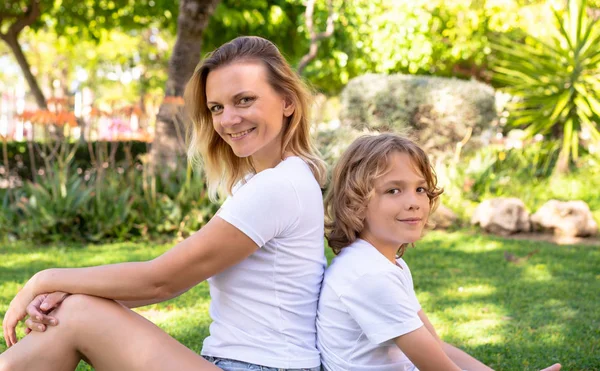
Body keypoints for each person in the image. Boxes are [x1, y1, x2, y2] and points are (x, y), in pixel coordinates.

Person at [0, 36, 327, 371]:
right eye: (217, 108)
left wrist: (46, 279)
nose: (228, 120)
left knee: (77, 313)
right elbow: (159, 282)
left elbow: (161, 280)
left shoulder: (279, 185)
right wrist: (68, 291)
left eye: (244, 101)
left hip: (267, 367)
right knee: (73, 310)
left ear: (287, 102)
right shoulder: (265, 181)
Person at [315, 133, 561, 371]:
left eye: (420, 189)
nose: (414, 202)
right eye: (394, 190)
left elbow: (436, 346)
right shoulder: (368, 275)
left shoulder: (385, 263)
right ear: (355, 203)